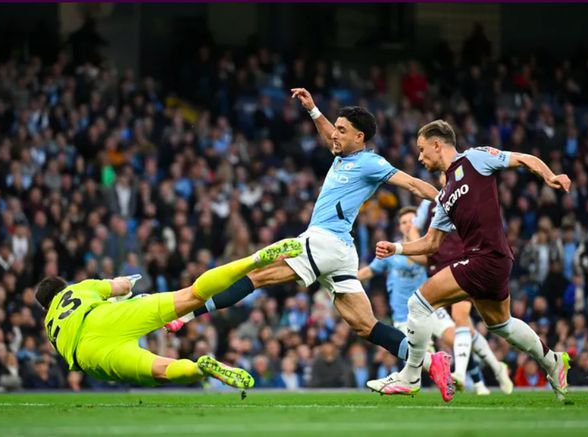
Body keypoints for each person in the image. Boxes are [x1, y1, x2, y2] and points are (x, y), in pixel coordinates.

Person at [165, 88, 454, 400]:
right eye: (336, 128)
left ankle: (186, 315)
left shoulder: (371, 163)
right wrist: (313, 110)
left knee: (257, 275)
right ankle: (430, 362)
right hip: (339, 250)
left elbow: (412, 184)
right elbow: (329, 135)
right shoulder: (343, 155)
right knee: (365, 326)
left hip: (325, 241)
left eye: (342, 130)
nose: (335, 134)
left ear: (359, 137)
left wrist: (450, 199)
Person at [367, 120, 571, 402]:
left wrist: (549, 175)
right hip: (493, 261)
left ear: (437, 144)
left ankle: (410, 376)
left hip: (486, 257)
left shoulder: (475, 158)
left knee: (418, 303)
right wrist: (398, 248)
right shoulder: (444, 195)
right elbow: (431, 243)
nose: (419, 157)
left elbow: (523, 158)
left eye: (422, 149)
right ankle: (553, 361)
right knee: (501, 324)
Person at [36, 239, 302, 389]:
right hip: (106, 315)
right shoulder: (80, 288)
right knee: (192, 294)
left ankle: (200, 368)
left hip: (89, 352)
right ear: (64, 286)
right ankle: (254, 259)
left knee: (162, 369)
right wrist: (127, 286)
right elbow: (121, 286)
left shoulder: (49, 326)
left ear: (46, 307)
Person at [360, 206, 502, 395]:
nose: (407, 225)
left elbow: (435, 262)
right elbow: (371, 270)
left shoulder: (429, 249)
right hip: (403, 314)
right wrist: (348, 279)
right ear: (399, 227)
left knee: (457, 338)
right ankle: (449, 383)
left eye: (411, 221)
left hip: (430, 307)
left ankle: (477, 382)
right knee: (424, 357)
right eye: (403, 222)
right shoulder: (391, 251)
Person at [411, 191, 514, 395]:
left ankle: (459, 373)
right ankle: (497, 368)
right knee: (465, 331)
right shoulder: (429, 203)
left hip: (463, 265)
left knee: (460, 317)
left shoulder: (467, 194)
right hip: (438, 269)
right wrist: (421, 247)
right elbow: (415, 228)